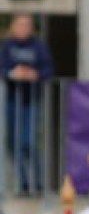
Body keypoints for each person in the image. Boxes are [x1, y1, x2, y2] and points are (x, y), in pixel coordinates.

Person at [2, 12, 54, 191]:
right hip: (11, 102)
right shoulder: (7, 46)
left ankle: (37, 183)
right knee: (13, 144)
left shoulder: (39, 46)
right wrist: (12, 73)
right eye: (20, 24)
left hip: (31, 101)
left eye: (27, 25)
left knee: (29, 143)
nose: (24, 28)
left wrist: (35, 74)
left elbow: (48, 69)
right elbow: (2, 67)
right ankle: (23, 183)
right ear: (13, 26)